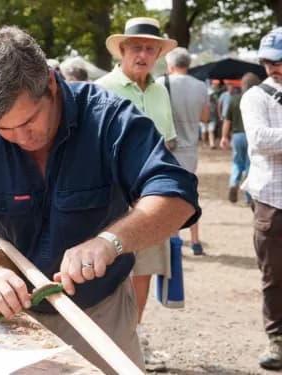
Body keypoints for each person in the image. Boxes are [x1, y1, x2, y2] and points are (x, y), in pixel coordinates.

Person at [0, 26, 200, 374]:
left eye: (29, 121)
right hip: (9, 310)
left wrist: (110, 241)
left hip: (100, 309)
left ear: (51, 83)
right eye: (3, 129)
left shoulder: (108, 117)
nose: (21, 138)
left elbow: (176, 195)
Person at [95, 16, 178, 371]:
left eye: (150, 48)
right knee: (106, 269)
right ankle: (100, 340)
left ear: (158, 53)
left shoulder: (161, 91)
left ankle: (134, 334)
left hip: (149, 200)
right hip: (110, 199)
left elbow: (169, 143)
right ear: (123, 51)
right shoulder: (101, 89)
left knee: (144, 270)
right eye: (137, 47)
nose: (143, 54)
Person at [239, 27, 282, 371]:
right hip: (272, 201)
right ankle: (278, 340)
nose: (273, 67)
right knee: (274, 276)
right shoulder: (257, 96)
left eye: (280, 61)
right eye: (268, 61)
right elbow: (261, 139)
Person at [157, 47, 209, 256]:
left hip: (169, 148)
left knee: (168, 195)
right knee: (190, 194)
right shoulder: (200, 86)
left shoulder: (160, 84)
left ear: (170, 65)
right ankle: (195, 241)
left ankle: (174, 240)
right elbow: (205, 118)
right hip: (191, 149)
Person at [220, 72, 261, 204]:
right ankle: (249, 196)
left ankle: (233, 183)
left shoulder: (234, 99)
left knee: (237, 162)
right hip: (252, 136)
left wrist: (224, 137)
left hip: (237, 136)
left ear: (242, 85)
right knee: (251, 165)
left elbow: (227, 121)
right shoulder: (259, 99)